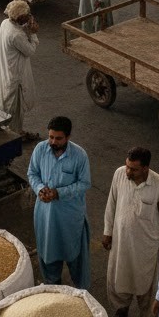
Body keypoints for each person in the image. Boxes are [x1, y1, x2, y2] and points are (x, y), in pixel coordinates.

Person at [103, 147, 159, 317]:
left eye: (133, 169)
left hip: (146, 248)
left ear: (145, 168)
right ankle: (121, 309)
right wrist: (107, 231)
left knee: (146, 286)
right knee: (119, 279)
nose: (128, 171)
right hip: (121, 242)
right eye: (127, 166)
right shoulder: (119, 174)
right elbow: (111, 203)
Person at [27, 116, 92, 290]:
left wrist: (58, 193)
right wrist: (40, 189)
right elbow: (32, 173)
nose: (53, 142)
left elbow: (84, 183)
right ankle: (53, 289)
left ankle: (81, 293)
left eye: (58, 138)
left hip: (70, 217)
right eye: (51, 137)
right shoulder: (40, 149)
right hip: (45, 215)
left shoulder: (79, 155)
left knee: (75, 255)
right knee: (48, 254)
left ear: (68, 137)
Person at [0, 0, 40, 141]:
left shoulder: (5, 24)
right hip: (15, 78)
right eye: (27, 16)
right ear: (20, 18)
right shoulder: (16, 35)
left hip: (6, 73)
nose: (29, 18)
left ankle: (15, 132)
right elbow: (30, 51)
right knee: (15, 111)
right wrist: (33, 33)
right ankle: (14, 137)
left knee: (9, 110)